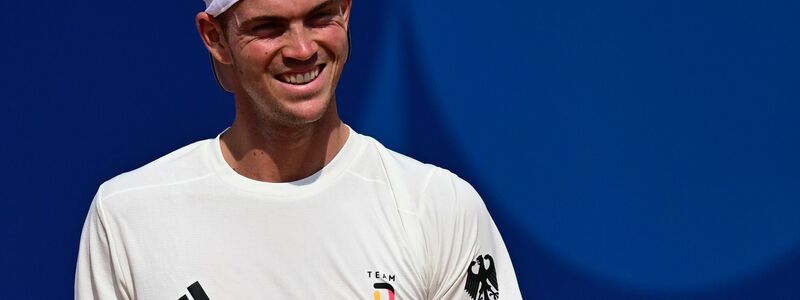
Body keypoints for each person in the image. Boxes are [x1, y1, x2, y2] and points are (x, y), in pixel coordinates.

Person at [74, 0, 522, 298]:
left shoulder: (436, 207)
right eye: (268, 28)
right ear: (215, 38)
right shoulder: (129, 216)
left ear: (346, 11)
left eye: (320, 16)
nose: (303, 48)